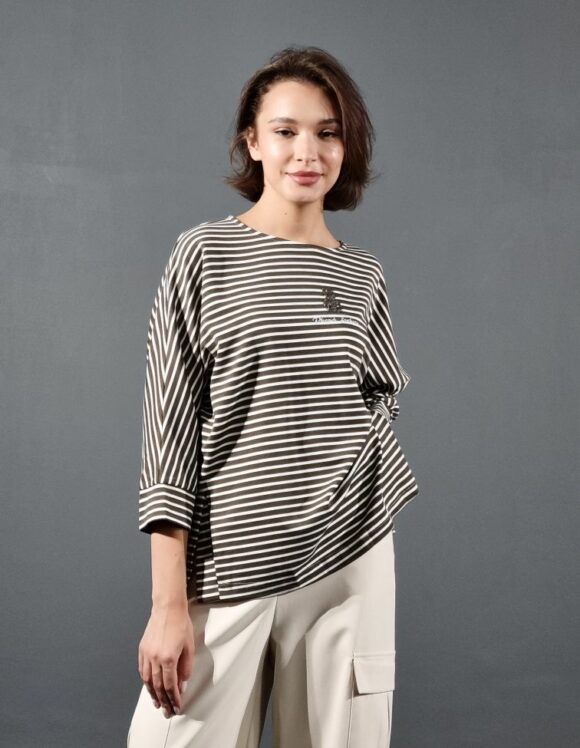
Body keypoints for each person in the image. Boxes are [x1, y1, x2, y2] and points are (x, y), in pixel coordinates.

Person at [127, 45, 419, 747]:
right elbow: (169, 432)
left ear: (347, 146)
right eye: (286, 130)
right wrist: (169, 603)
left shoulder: (364, 275)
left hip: (349, 558)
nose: (307, 151)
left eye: (328, 132)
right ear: (253, 142)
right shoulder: (204, 254)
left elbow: (379, 398)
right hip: (228, 562)